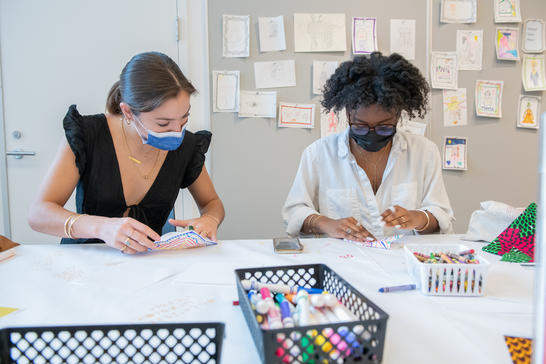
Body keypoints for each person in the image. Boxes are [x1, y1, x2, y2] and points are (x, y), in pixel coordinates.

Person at [28, 52, 225, 254]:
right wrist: (101, 227)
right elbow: (38, 214)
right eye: (163, 123)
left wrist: (210, 219)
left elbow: (212, 203)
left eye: (184, 118)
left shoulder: (187, 146)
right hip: (86, 262)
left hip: (149, 265)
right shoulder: (87, 135)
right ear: (128, 111)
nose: (177, 131)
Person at [282, 52, 454, 242]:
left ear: (398, 115)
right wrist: (326, 223)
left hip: (402, 263)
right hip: (342, 262)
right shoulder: (319, 154)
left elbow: (441, 215)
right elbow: (294, 212)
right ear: (348, 113)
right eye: (360, 126)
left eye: (384, 127)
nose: (371, 133)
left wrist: (418, 218)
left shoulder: (424, 152)